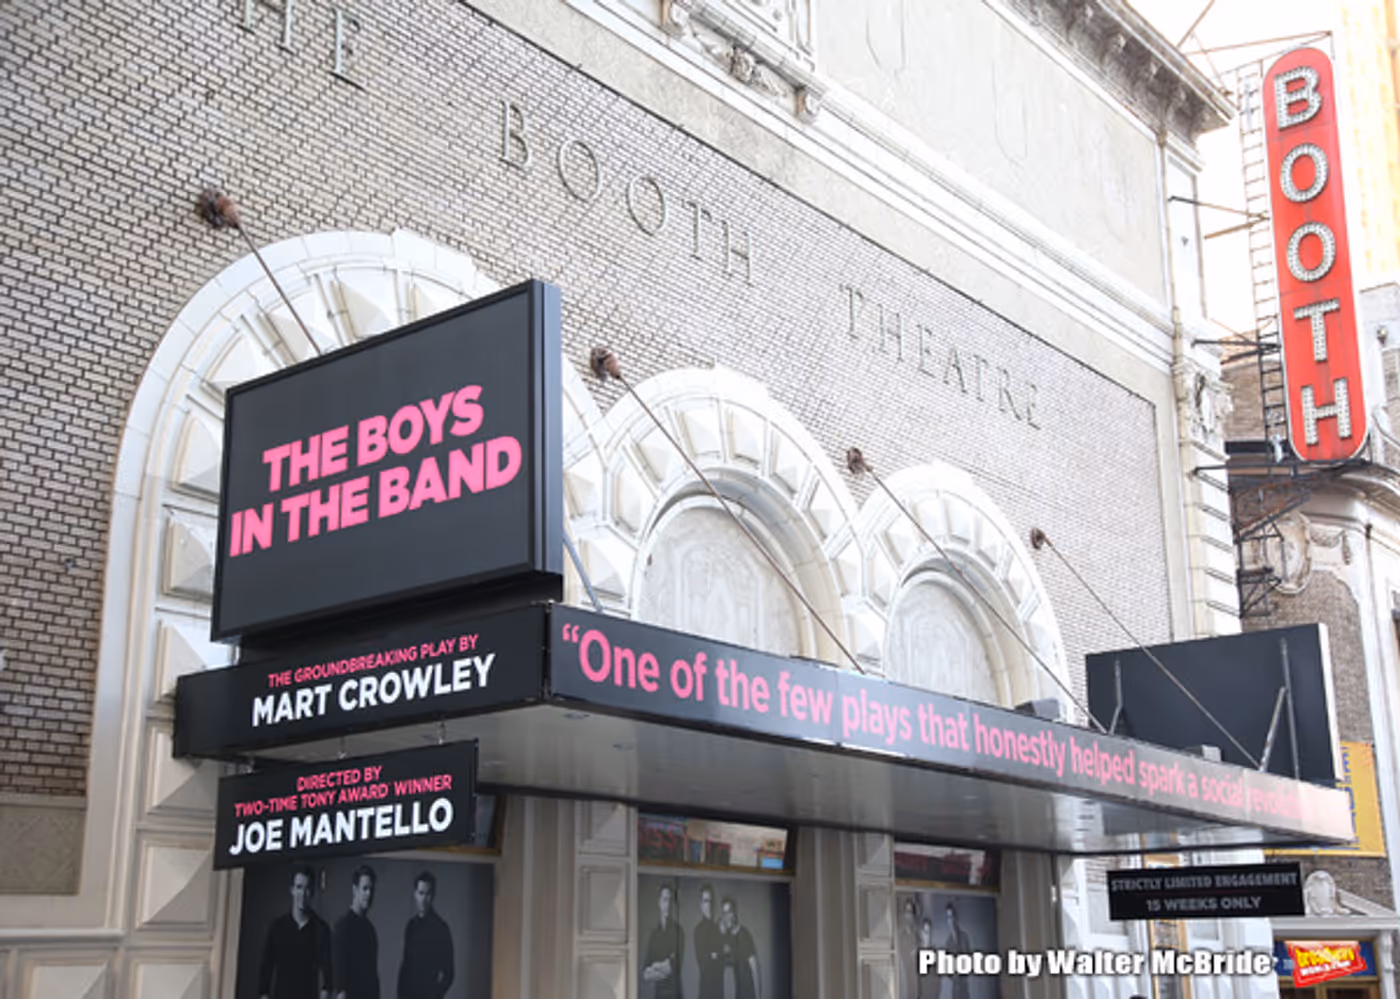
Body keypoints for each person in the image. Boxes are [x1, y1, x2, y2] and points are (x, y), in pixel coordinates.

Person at [257, 866, 331, 999]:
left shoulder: (321, 929)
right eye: (299, 887)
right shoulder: (277, 927)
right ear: (292, 890)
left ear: (312, 892)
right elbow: (265, 970)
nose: (302, 893)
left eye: (307, 888)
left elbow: (328, 976)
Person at [396, 871, 454, 999]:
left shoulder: (441, 928)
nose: (424, 899)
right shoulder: (411, 926)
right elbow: (406, 964)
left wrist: (436, 995)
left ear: (433, 895)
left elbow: (449, 972)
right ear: (415, 894)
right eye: (421, 893)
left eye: (428, 894)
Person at [332, 865, 380, 999]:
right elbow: (340, 977)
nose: (368, 894)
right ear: (355, 890)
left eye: (371, 889)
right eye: (365, 889)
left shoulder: (370, 929)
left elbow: (373, 976)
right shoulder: (343, 927)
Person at [642, 882, 684, 998]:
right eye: (665, 900)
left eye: (670, 901)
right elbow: (645, 974)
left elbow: (671, 968)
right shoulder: (654, 935)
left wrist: (654, 966)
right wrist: (662, 965)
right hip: (659, 994)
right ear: (659, 902)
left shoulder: (679, 932)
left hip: (675, 994)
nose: (668, 905)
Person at [719, 896, 760, 999]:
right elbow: (725, 962)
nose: (726, 917)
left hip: (749, 995)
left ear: (734, 913)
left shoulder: (744, 935)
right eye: (724, 913)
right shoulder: (728, 937)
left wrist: (759, 997)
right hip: (738, 994)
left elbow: (755, 969)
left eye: (729, 912)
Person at [693, 883, 724, 999]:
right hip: (706, 991)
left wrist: (716, 954)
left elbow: (726, 957)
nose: (709, 904)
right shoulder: (698, 930)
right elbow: (703, 962)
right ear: (701, 905)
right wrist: (717, 954)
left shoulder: (718, 928)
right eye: (706, 901)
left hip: (719, 990)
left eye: (711, 901)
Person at [940, 902, 972, 999]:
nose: (951, 920)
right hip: (955, 987)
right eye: (948, 918)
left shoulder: (964, 937)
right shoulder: (948, 943)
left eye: (952, 916)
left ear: (956, 918)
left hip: (964, 987)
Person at [897, 897, 920, 999]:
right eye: (907, 912)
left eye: (911, 912)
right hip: (905, 985)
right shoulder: (900, 938)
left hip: (918, 986)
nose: (908, 915)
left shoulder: (918, 937)